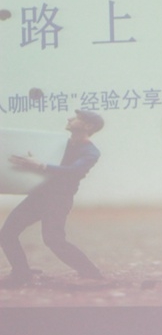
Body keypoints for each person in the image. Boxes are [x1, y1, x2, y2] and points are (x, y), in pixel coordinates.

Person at [0, 110, 104, 287]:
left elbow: (73, 171)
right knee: (7, 234)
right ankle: (21, 273)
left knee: (53, 239)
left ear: (88, 126)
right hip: (38, 196)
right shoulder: (59, 144)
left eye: (77, 118)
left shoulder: (90, 152)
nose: (70, 118)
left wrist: (40, 165)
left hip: (58, 200)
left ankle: (91, 273)